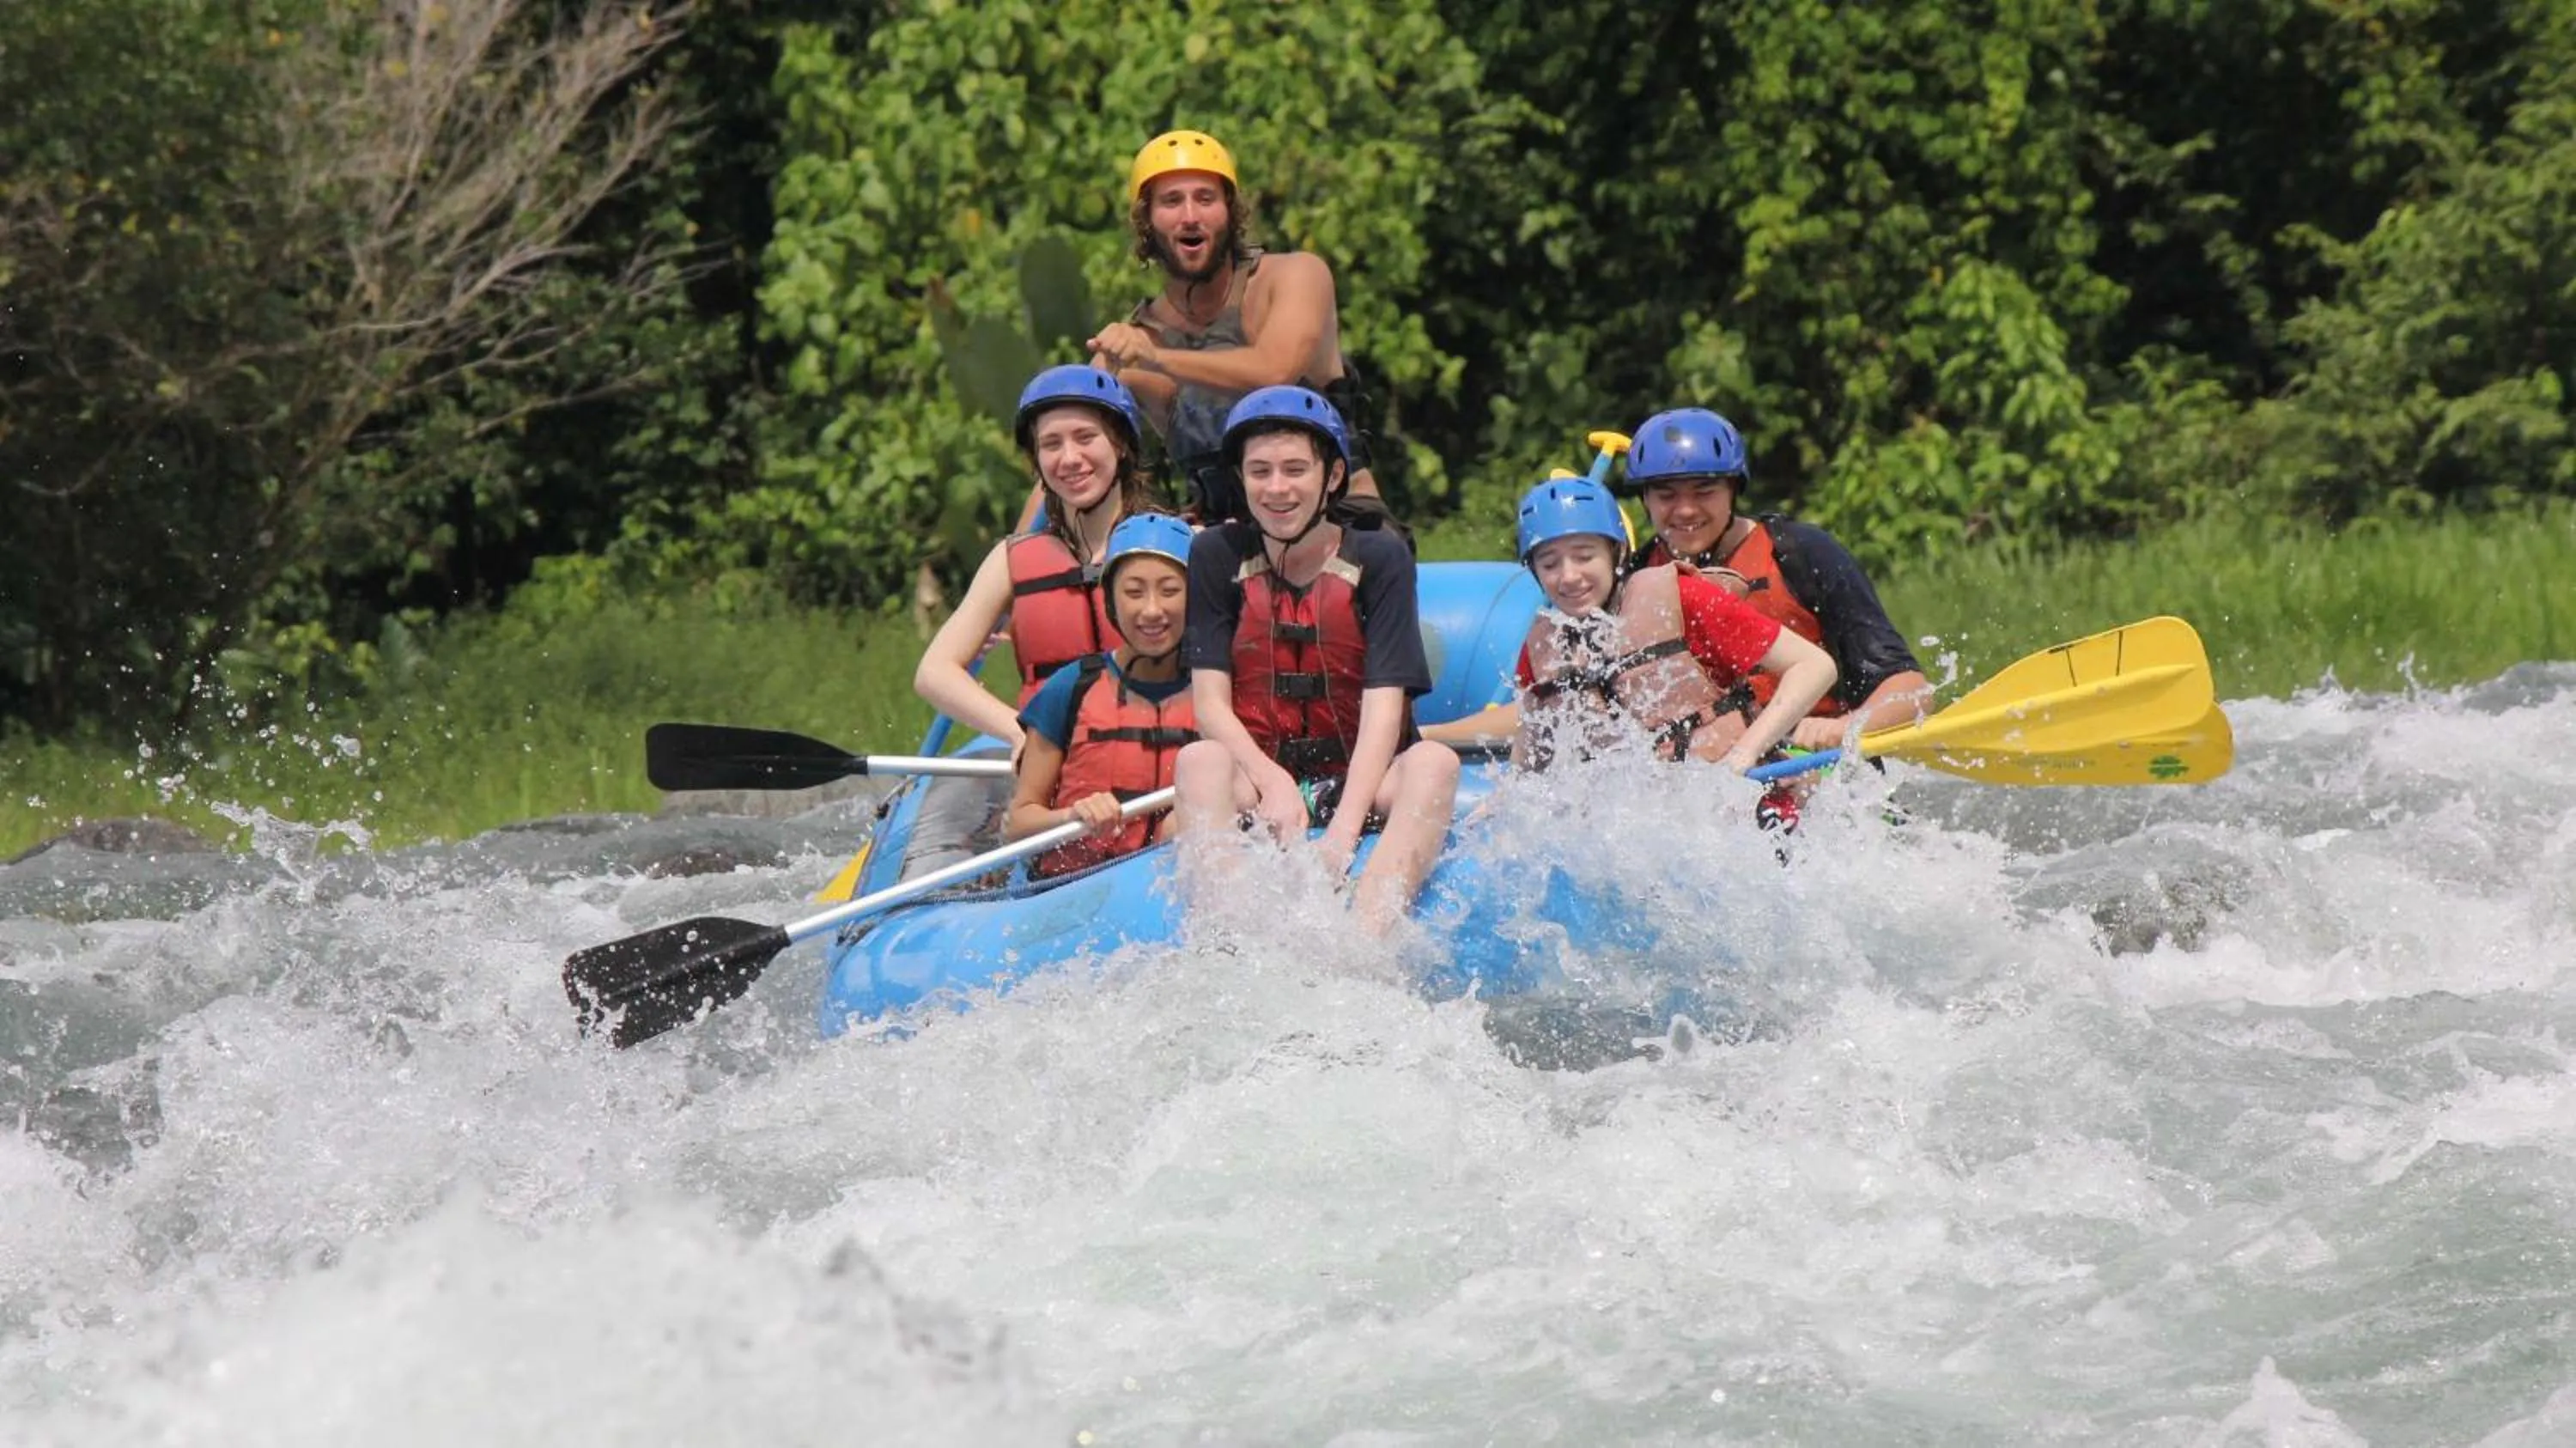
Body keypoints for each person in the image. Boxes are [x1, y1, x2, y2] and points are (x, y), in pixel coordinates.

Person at [1170, 386, 1457, 934]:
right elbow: (1210, 705)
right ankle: (1233, 939)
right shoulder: (1214, 555)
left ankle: (1368, 938)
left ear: (1330, 476)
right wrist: (1273, 782)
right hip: (1259, 782)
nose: (1277, 488)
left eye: (1295, 469)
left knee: (1435, 763)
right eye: (1260, 472)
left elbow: (1384, 709)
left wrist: (1342, 836)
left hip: (1367, 782)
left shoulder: (1381, 556)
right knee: (1198, 761)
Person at [901, 365, 1162, 876]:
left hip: (1146, 750)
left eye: (1086, 438)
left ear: (1122, 447)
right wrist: (1022, 735)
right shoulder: (1013, 558)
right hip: (1041, 759)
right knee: (959, 794)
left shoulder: (1175, 546)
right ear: (1037, 462)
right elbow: (935, 672)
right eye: (1051, 444)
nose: (1070, 458)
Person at [1081, 130, 1400, 533]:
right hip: (1222, 539)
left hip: (1341, 522)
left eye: (1206, 198)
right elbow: (1067, 448)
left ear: (1231, 212)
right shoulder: (1136, 344)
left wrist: (1157, 358)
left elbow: (1274, 371)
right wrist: (1022, 550)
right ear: (1146, 222)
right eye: (1172, 201)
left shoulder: (1296, 275)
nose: (1191, 215)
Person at [1620, 408, 1929, 750]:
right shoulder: (1635, 580)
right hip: (1709, 768)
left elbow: (1910, 688)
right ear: (1645, 500)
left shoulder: (1803, 554)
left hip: (1816, 765)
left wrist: (1848, 728)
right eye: (1666, 495)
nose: (1686, 510)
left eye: (1704, 491)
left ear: (1734, 490)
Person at [1510, 475, 1837, 779]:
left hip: (1743, 796)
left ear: (1616, 552)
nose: (1568, 576)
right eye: (1550, 563)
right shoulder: (1545, 643)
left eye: (1584, 557)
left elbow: (1815, 666)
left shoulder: (1681, 599)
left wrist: (1746, 752)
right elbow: (1528, 758)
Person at [1005, 512, 1199, 877]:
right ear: (1111, 600)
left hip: (1169, 886)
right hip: (1075, 889)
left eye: (1171, 591)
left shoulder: (1215, 694)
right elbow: (1019, 822)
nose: (1153, 609)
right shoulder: (1071, 687)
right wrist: (1072, 815)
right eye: (1134, 592)